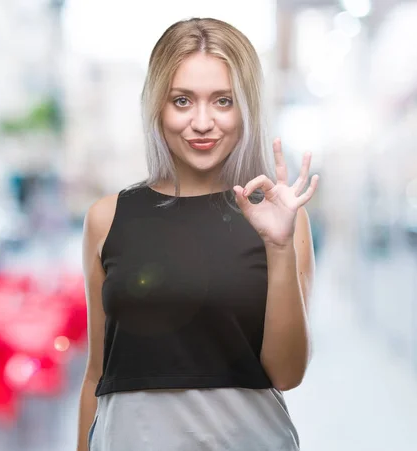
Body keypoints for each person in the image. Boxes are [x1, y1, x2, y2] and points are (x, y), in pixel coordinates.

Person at [77, 17, 319, 451]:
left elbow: (287, 373)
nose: (202, 122)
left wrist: (279, 246)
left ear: (246, 107)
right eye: (182, 101)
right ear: (157, 106)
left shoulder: (281, 220)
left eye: (223, 101)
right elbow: (97, 375)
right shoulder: (106, 218)